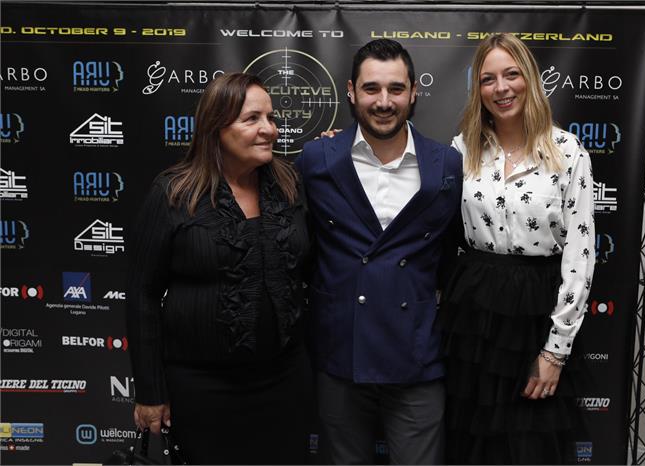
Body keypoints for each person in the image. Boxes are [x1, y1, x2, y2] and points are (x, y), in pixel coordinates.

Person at [126, 72, 312, 465]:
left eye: (271, 118)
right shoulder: (174, 193)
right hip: (202, 389)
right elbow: (142, 295)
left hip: (284, 382)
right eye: (252, 119)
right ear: (216, 127)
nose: (269, 129)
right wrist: (150, 391)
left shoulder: (289, 184)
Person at [296, 39, 462, 465]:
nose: (384, 102)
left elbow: (453, 253)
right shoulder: (317, 159)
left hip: (417, 355)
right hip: (340, 351)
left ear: (414, 92)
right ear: (351, 92)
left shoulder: (446, 164)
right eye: (371, 88)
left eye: (396, 89)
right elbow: (299, 246)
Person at [438, 33, 595, 464]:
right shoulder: (462, 149)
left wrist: (555, 351)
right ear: (478, 89)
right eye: (488, 79)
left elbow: (580, 254)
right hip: (473, 313)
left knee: (530, 446)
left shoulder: (567, 151)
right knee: (472, 445)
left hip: (537, 312)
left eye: (511, 74)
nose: (501, 88)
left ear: (530, 78)